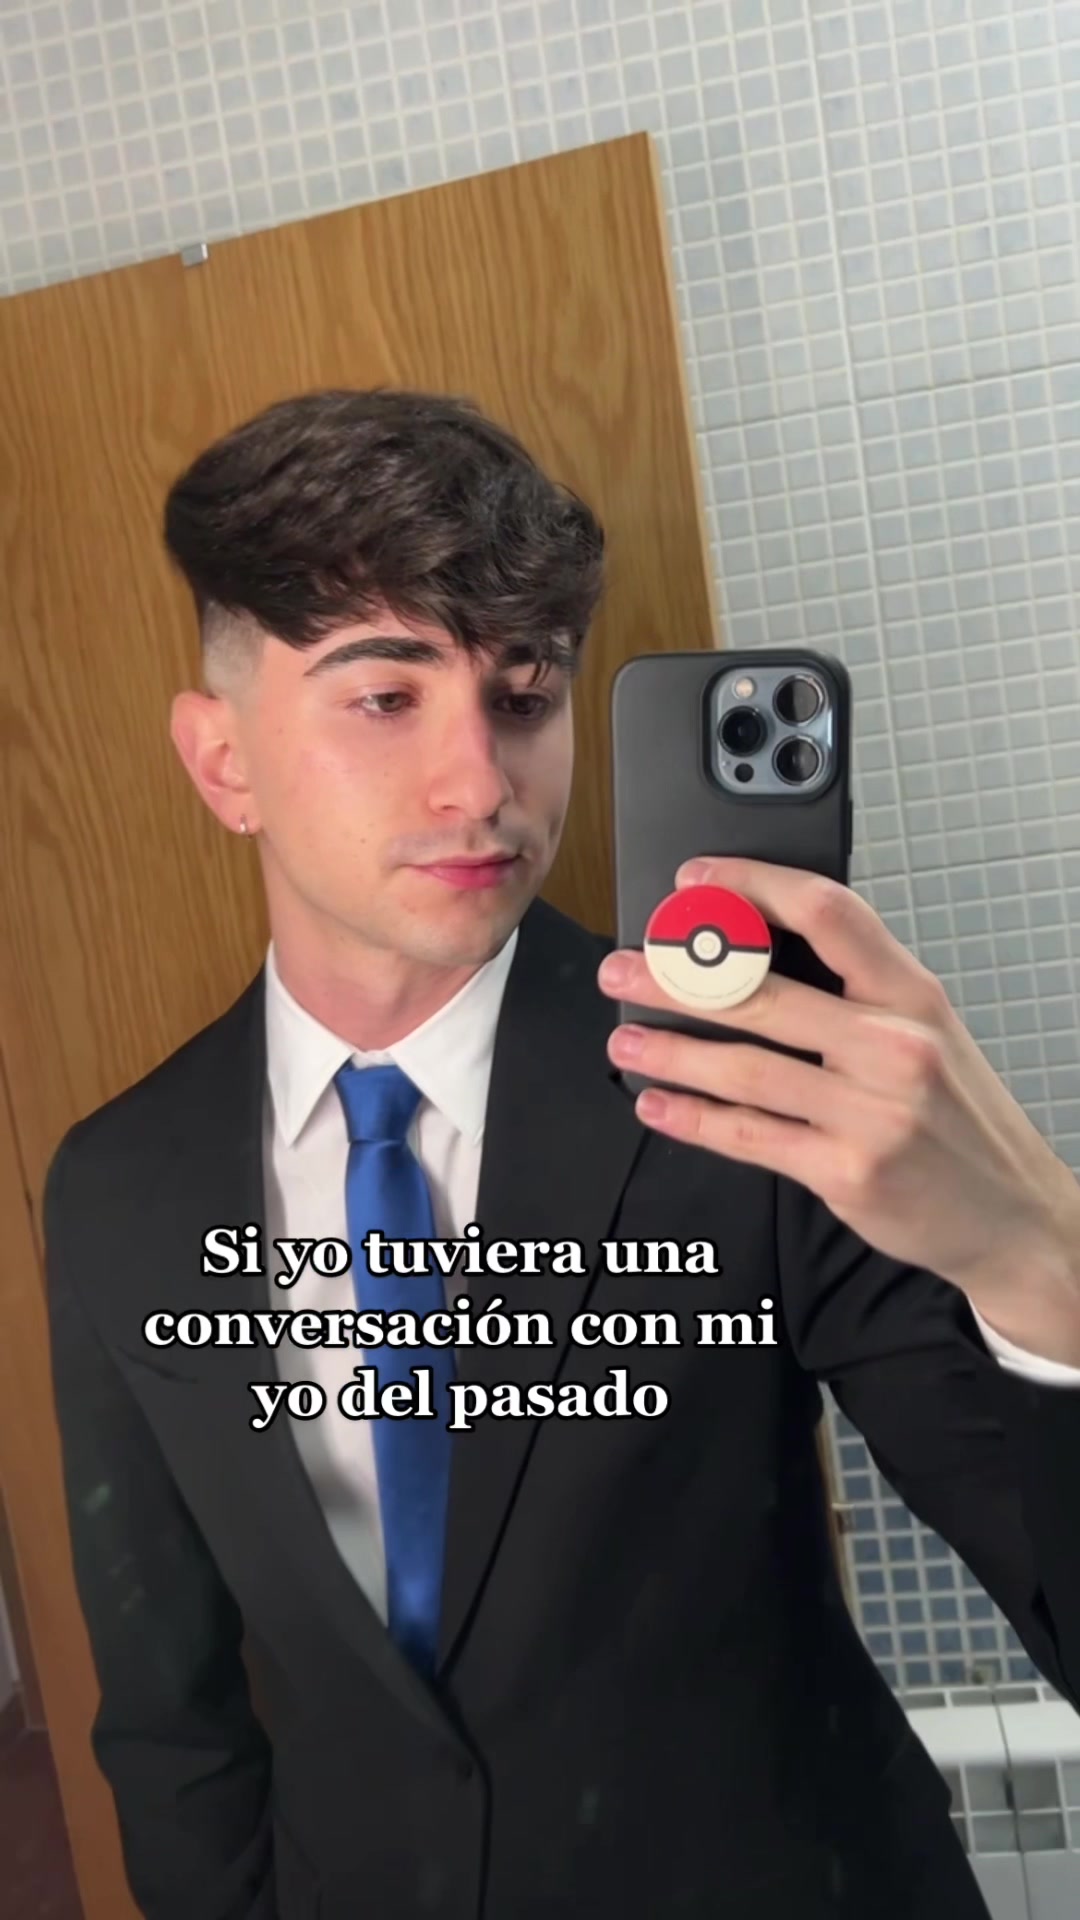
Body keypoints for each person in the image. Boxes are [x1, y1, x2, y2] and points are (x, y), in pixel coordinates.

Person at [44, 388, 1080, 1920]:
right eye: (384, 698)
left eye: (523, 695)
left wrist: (1044, 1262)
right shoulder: (117, 1189)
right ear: (223, 762)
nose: (482, 784)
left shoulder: (751, 1094)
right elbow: (167, 1713)